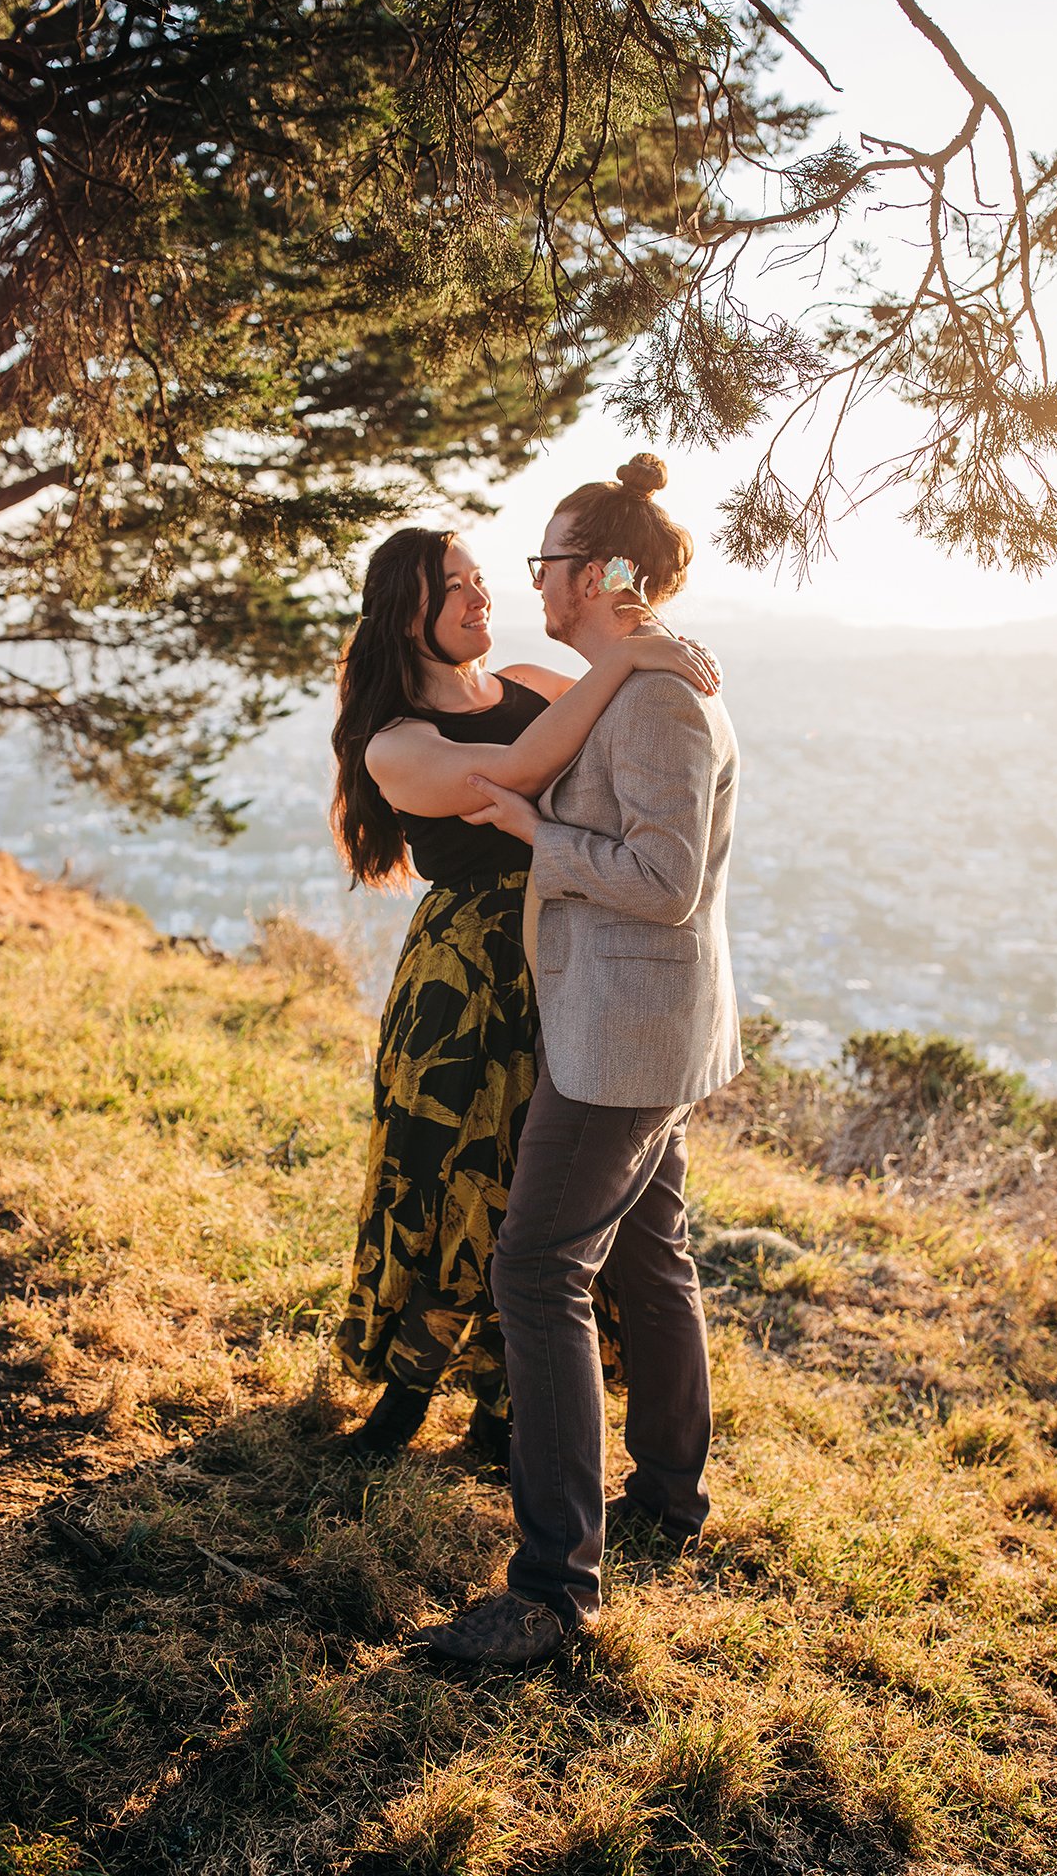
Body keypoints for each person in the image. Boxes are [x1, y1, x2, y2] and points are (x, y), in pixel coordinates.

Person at [412, 452, 743, 1664]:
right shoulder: (636, 675)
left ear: (601, 571)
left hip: (623, 1034)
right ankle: (668, 1493)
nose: (532, 576)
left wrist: (534, 833)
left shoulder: (655, 697)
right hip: (646, 1024)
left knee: (537, 1267)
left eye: (548, 559)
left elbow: (658, 883)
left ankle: (554, 1588)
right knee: (652, 1258)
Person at [329, 520, 719, 1467]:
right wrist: (629, 656)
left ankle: (507, 1406)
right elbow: (516, 771)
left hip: (568, 954)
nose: (480, 599)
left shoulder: (539, 689)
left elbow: (614, 746)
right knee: (441, 1174)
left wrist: (646, 655)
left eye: (479, 580)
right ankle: (407, 1385)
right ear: (404, 613)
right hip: (464, 981)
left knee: (531, 1191)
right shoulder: (395, 742)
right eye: (452, 587)